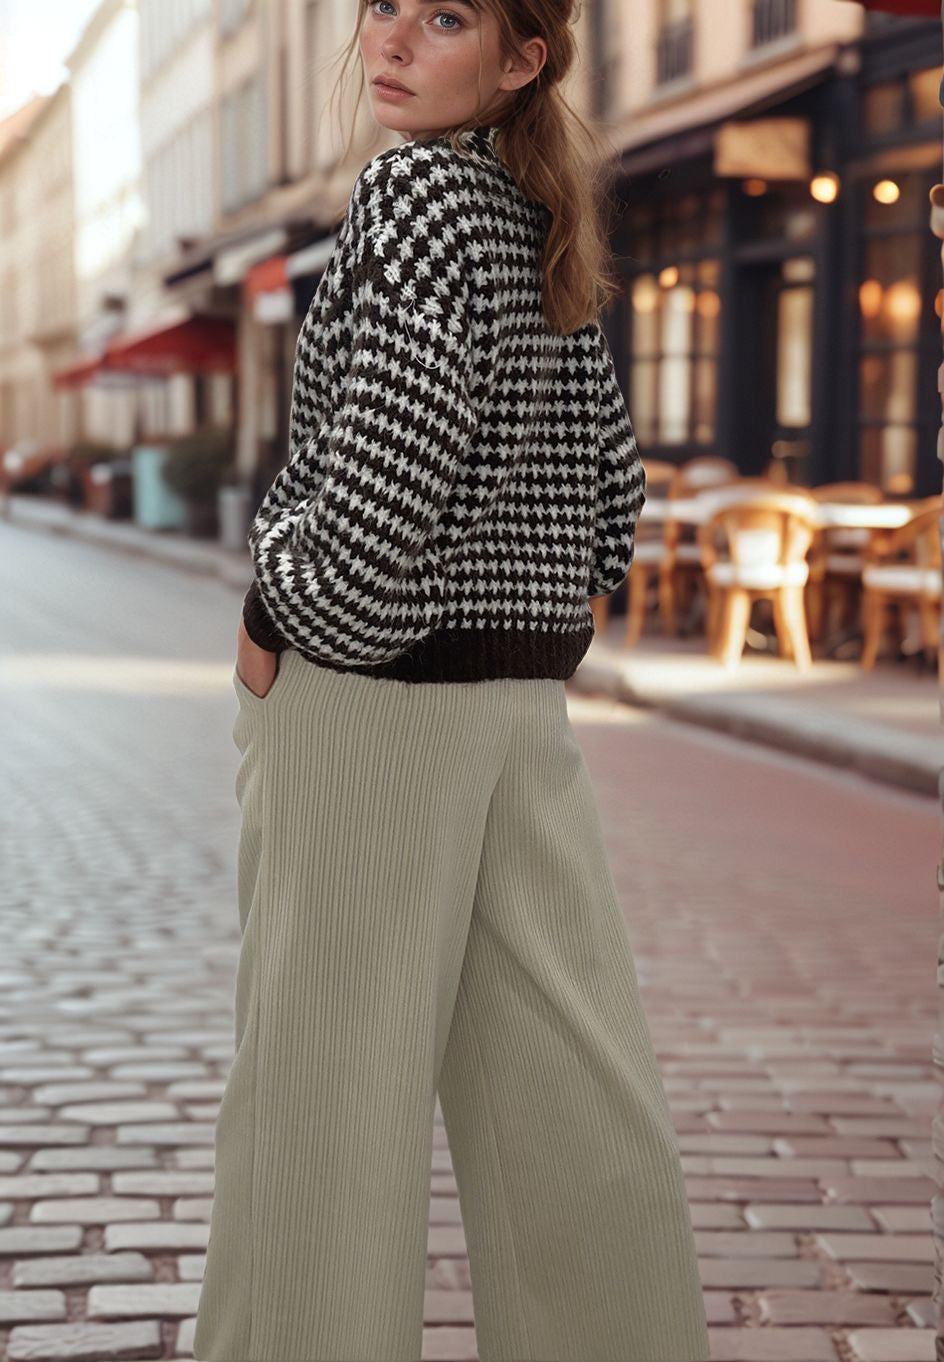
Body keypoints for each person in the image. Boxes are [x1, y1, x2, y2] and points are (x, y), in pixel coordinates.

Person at [192, 1, 712, 1359]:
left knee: (327, 1107)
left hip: (368, 701)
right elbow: (613, 499)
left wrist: (275, 601)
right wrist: (527, 596)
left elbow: (391, 470)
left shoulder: (411, 189)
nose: (391, 44)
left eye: (445, 17)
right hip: (519, 708)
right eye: (383, 8)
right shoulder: (541, 216)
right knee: (565, 1094)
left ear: (522, 55)